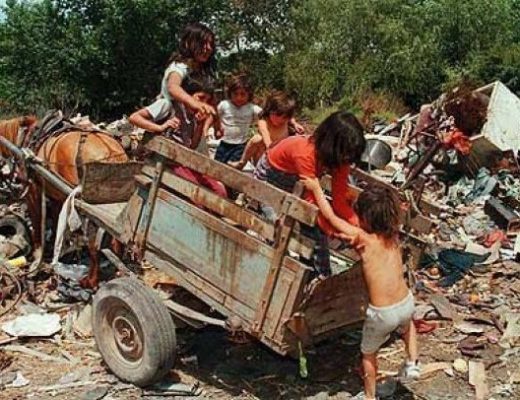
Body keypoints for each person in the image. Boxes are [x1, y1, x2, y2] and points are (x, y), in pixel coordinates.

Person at [302, 179, 421, 400]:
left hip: (382, 313)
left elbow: (331, 217)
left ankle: (369, 396)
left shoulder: (364, 240)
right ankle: (413, 362)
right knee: (408, 327)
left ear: (365, 218)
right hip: (406, 302)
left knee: (368, 354)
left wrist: (317, 189)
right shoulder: (394, 235)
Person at [254, 111, 366, 276]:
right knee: (277, 229)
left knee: (315, 233)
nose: (347, 158)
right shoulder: (305, 153)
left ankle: (319, 275)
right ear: (332, 145)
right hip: (271, 181)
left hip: (300, 186)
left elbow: (339, 201)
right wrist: (336, 232)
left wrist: (360, 228)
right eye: (346, 153)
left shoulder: (341, 159)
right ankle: (284, 272)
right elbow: (311, 203)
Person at [129, 78, 227, 198]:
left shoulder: (193, 116)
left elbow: (192, 146)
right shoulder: (167, 105)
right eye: (200, 98)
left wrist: (200, 124)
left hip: (182, 163)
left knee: (219, 190)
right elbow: (134, 117)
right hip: (163, 163)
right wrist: (160, 127)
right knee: (196, 193)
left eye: (206, 101)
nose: (202, 104)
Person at [228, 91, 304, 170]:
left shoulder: (286, 120)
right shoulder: (263, 122)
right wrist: (272, 150)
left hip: (282, 158)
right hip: (265, 157)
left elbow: (290, 118)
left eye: (285, 117)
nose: (281, 120)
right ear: (270, 111)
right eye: (278, 115)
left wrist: (295, 124)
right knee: (257, 139)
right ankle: (242, 162)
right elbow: (267, 139)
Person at [161, 22, 217, 118]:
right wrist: (195, 103)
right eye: (203, 43)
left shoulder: (203, 72)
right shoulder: (179, 67)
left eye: (210, 44)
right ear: (188, 44)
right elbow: (173, 87)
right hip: (167, 123)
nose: (208, 48)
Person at [213, 74, 262, 164]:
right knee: (217, 164)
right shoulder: (224, 105)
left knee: (232, 166)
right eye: (235, 94)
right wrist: (217, 128)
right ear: (230, 93)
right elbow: (214, 115)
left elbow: (266, 116)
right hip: (224, 143)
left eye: (243, 94)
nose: (239, 98)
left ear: (249, 95)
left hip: (240, 145)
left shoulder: (252, 108)